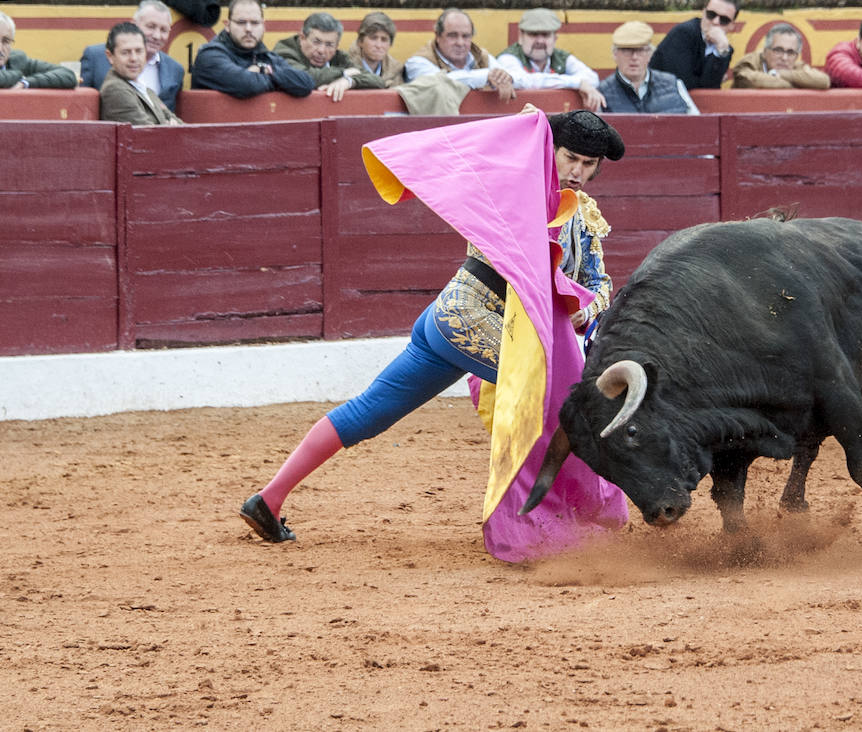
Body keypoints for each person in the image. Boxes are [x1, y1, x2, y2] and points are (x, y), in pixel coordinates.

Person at [238, 109, 627, 546]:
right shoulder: (515, 190)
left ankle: (268, 500)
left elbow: (597, 283)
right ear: (549, 149)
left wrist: (587, 306)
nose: (576, 171)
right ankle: (546, 517)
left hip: (449, 321)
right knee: (558, 398)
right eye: (569, 157)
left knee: (371, 411)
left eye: (588, 164)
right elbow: (526, 264)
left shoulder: (582, 215)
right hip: (472, 321)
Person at [190, 0, 316, 98]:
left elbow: (306, 83)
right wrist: (280, 81)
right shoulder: (209, 55)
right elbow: (246, 85)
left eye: (255, 23)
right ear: (227, 25)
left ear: (263, 26)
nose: (248, 29)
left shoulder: (267, 57)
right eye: (241, 22)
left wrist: (262, 70)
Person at [79, 0, 184, 110]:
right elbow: (81, 103)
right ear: (134, 25)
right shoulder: (95, 57)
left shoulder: (175, 70)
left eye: (164, 30)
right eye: (151, 27)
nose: (157, 36)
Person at [494, 8, 605, 110]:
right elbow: (524, 80)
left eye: (546, 35)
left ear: (555, 38)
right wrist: (578, 83)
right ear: (521, 37)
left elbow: (592, 78)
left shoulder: (561, 57)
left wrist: (583, 84)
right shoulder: (508, 58)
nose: (540, 41)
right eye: (533, 34)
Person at [272, 12, 388, 102]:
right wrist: (344, 73)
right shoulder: (284, 51)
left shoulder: (338, 57)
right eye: (316, 42)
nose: (322, 50)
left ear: (337, 46)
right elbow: (305, 78)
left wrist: (350, 81)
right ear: (302, 37)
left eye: (329, 45)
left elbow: (378, 81)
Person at [405, 8, 516, 100]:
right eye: (452, 35)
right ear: (438, 36)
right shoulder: (417, 62)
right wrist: (485, 76)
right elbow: (439, 83)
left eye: (466, 36)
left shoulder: (481, 56)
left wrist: (507, 77)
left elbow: (520, 78)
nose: (460, 43)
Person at [598, 20, 700, 113]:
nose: (634, 57)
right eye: (626, 50)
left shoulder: (674, 84)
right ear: (615, 55)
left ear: (650, 54)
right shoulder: (602, 93)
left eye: (640, 50)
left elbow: (697, 124)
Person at [649, 0, 737, 90]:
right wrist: (712, 80)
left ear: (731, 26)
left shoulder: (724, 48)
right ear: (703, 12)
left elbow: (710, 89)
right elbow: (683, 83)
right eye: (711, 14)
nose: (715, 22)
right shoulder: (683, 33)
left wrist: (722, 47)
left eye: (724, 20)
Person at [98, 23, 182, 124]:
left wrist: (171, 126)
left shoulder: (142, 87)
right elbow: (148, 133)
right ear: (110, 56)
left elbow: (179, 125)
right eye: (125, 52)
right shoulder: (115, 89)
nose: (134, 58)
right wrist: (170, 126)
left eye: (139, 51)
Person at [0, 8, 78, 89]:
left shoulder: (17, 60)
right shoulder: (19, 69)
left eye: (6, 41)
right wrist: (18, 75)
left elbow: (68, 75)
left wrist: (25, 82)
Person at [731, 22, 830, 89]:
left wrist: (781, 74)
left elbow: (824, 81)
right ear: (765, 52)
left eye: (791, 52)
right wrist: (796, 85)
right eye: (778, 50)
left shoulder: (797, 66)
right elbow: (745, 78)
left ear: (796, 56)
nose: (784, 58)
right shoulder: (750, 62)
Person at [348, 11, 406, 87]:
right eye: (373, 38)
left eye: (384, 39)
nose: (378, 45)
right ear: (360, 41)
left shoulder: (396, 71)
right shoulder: (345, 65)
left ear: (390, 44)